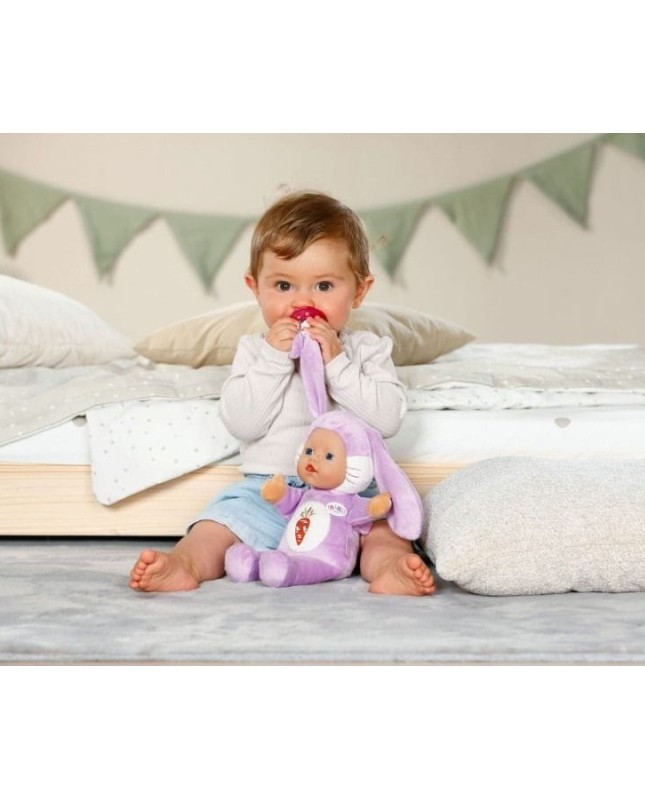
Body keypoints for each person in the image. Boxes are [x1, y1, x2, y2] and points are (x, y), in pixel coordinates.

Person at [129, 190, 436, 596]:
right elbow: (244, 424)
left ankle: (391, 569)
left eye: (324, 285)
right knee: (216, 525)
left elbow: (387, 419)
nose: (302, 302)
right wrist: (274, 359)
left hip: (350, 495)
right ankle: (184, 565)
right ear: (255, 287)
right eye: (283, 285)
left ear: (359, 291)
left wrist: (337, 364)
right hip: (270, 490)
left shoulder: (366, 350)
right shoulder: (255, 351)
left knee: (384, 531)